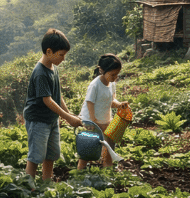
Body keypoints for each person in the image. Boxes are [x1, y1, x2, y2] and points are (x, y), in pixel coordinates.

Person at [23, 28, 82, 182]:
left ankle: (46, 182)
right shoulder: (40, 73)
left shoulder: (53, 68)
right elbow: (47, 100)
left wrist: (69, 114)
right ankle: (28, 186)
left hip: (51, 119)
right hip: (38, 120)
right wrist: (68, 118)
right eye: (61, 55)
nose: (63, 58)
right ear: (49, 52)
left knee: (51, 154)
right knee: (36, 155)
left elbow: (57, 95)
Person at [76, 53, 128, 170]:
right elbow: (90, 102)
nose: (115, 77)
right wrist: (94, 121)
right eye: (112, 74)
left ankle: (107, 168)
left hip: (105, 119)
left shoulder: (112, 84)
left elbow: (111, 100)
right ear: (102, 70)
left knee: (109, 146)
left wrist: (120, 105)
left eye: (117, 75)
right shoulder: (95, 85)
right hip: (91, 121)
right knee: (90, 145)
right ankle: (80, 169)